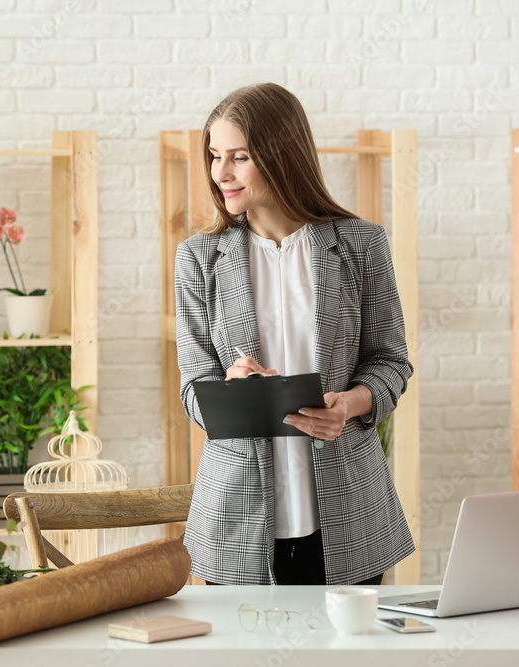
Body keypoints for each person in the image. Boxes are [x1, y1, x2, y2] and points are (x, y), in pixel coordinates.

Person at [174, 83, 414, 586]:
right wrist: (229, 391)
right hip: (236, 514)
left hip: (349, 512)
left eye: (239, 157)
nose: (221, 173)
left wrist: (349, 404)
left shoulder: (360, 244)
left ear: (283, 155)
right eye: (215, 156)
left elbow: (390, 361)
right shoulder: (199, 258)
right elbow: (193, 383)